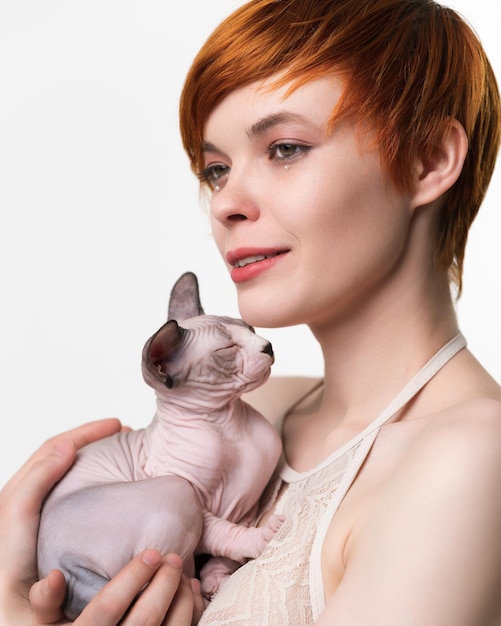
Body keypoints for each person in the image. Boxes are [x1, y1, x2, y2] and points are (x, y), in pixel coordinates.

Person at [1, 0, 501, 623]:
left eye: (285, 148)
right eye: (217, 169)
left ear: (429, 160)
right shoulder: (254, 409)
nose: (226, 204)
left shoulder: (473, 458)